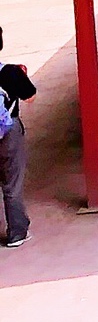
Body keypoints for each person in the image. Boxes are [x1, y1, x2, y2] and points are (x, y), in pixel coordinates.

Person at [1, 22, 34, 249]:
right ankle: (16, 233)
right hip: (9, 133)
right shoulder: (11, 72)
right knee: (12, 184)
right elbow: (30, 96)